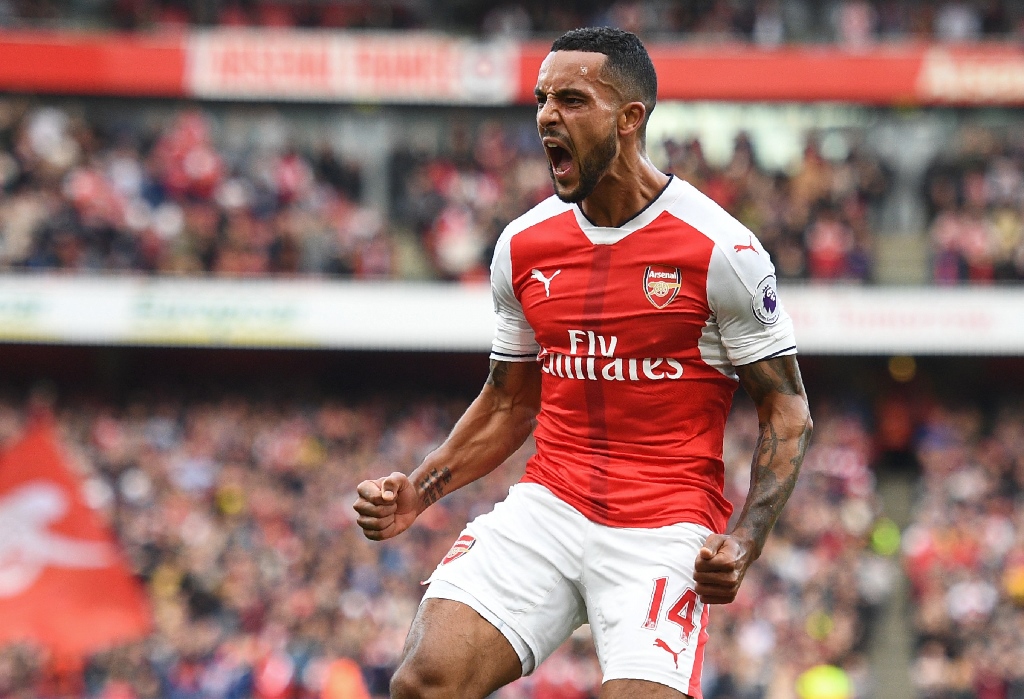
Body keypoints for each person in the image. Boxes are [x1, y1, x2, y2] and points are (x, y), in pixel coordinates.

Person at [353, 27, 813, 699]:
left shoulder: (722, 251)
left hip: (663, 528)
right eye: (542, 99)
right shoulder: (523, 244)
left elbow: (788, 411)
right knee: (424, 683)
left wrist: (744, 539)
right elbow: (510, 401)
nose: (546, 116)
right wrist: (419, 491)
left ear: (630, 118)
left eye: (571, 99)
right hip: (549, 506)